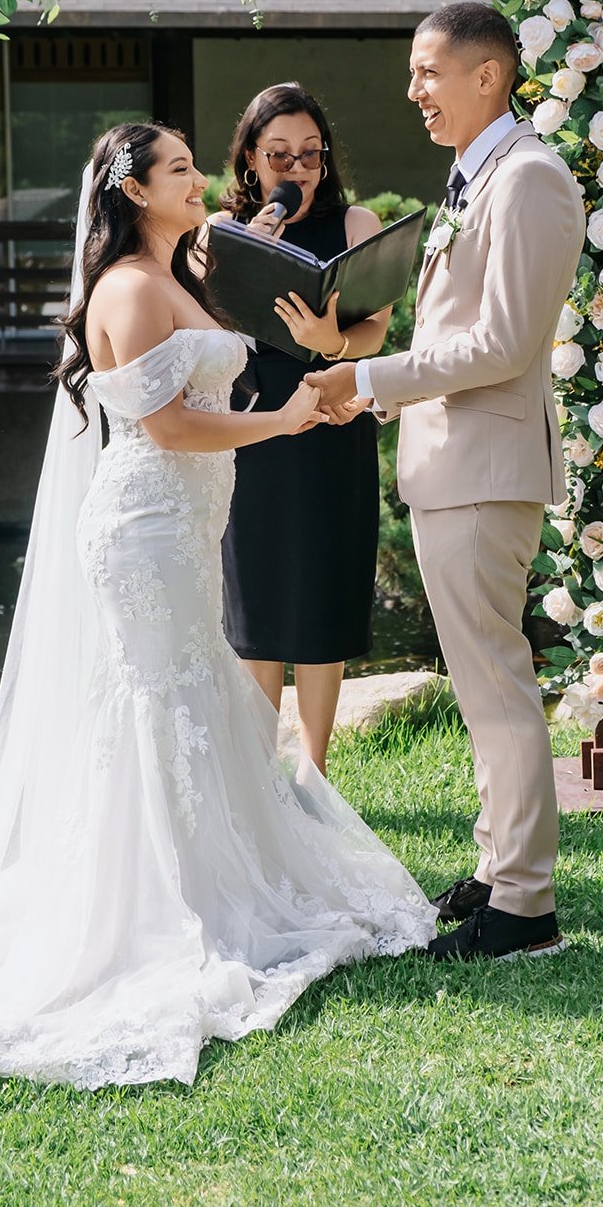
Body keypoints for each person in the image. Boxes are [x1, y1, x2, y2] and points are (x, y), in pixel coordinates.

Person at [0, 122, 434, 1125]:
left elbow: (259, 326)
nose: (197, 179)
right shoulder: (125, 285)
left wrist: (320, 361)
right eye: (175, 171)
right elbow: (166, 426)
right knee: (159, 702)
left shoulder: (180, 273)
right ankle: (149, 904)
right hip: (147, 526)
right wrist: (283, 419)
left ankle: (206, 882)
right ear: (130, 191)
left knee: (194, 690)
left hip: (188, 523)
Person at [308, 4, 586, 963]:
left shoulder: (531, 181)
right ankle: (497, 867)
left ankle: (524, 908)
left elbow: (503, 345)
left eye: (429, 72)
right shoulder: (478, 179)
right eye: (413, 74)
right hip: (452, 463)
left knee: (497, 687)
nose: (414, 92)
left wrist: (370, 379)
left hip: (483, 466)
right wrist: (367, 387)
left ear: (490, 75)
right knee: (481, 685)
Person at [211, 83, 390, 775]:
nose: (296, 170)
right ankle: (261, 774)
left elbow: (375, 328)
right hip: (252, 430)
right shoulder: (216, 231)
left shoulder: (355, 223)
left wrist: (331, 341)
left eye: (310, 156)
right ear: (250, 159)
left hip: (330, 426)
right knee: (255, 609)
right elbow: (198, 332)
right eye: (279, 155)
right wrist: (238, 256)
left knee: (321, 601)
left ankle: (314, 772)